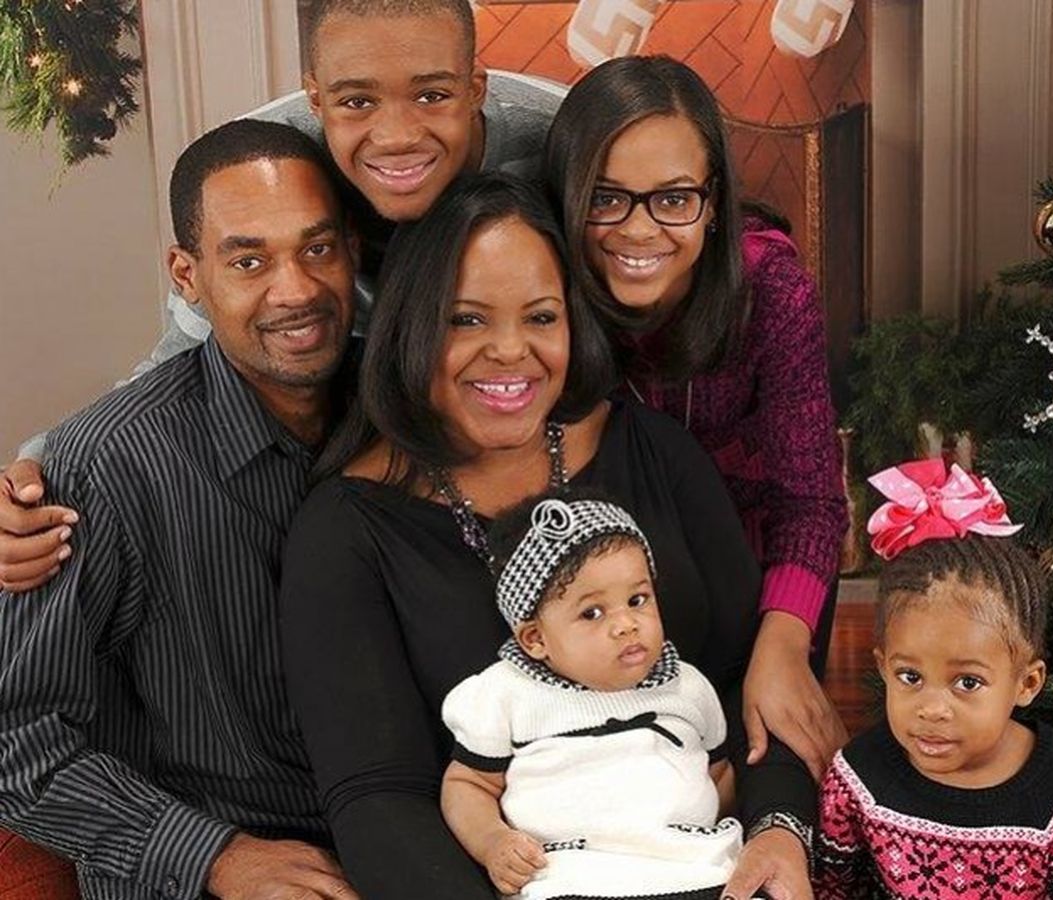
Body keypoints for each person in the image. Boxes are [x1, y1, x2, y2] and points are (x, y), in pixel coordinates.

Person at [279, 173, 816, 900]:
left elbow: (752, 681)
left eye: (540, 316)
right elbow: (378, 801)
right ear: (409, 327)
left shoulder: (652, 451)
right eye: (465, 320)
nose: (511, 351)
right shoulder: (344, 532)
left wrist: (780, 828)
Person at [0, 0, 566, 588]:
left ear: (476, 88)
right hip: (362, 463)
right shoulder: (268, 170)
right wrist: (38, 468)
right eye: (357, 103)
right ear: (316, 99)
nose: (397, 136)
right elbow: (180, 356)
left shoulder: (557, 138)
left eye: (431, 95)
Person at [0, 120, 365, 900]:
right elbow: (15, 741)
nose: (296, 289)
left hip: (399, 844)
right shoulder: (104, 466)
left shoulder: (407, 415)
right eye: (248, 260)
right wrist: (215, 856)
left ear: (352, 252)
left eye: (317, 248)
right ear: (187, 274)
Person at [543, 55, 849, 780]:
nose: (639, 230)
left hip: (761, 578)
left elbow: (810, 500)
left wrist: (783, 646)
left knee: (766, 764)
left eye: (674, 198)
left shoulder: (769, 288)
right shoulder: (541, 289)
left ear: (713, 202)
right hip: (608, 590)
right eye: (606, 198)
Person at [813, 459, 1053, 899]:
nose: (933, 709)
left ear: (1027, 684)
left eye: (968, 683)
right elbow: (831, 890)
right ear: (883, 667)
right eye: (910, 676)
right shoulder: (858, 776)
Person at [441, 494, 743, 899]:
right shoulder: (507, 693)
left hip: (697, 870)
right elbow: (469, 782)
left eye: (637, 600)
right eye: (592, 613)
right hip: (572, 876)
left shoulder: (686, 686)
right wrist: (493, 840)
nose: (627, 624)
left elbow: (719, 775)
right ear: (535, 639)